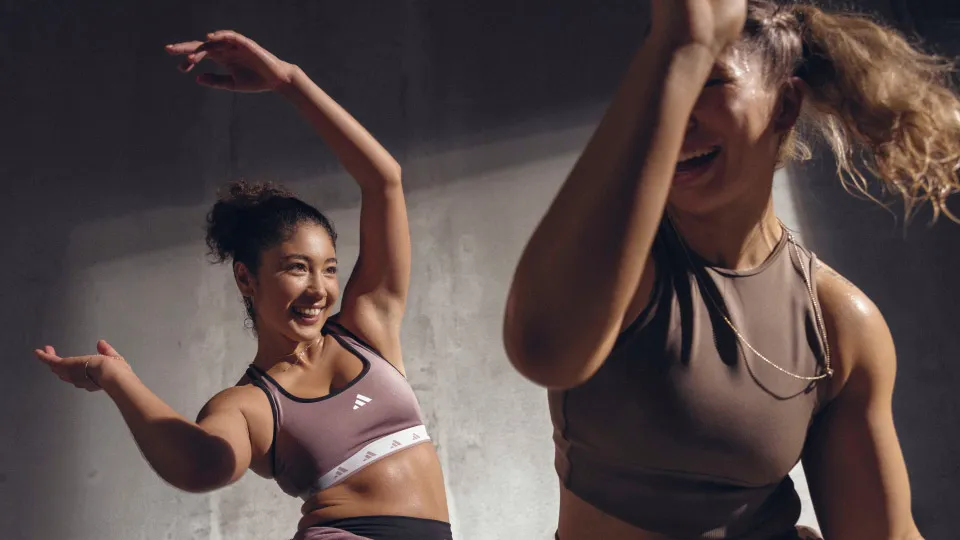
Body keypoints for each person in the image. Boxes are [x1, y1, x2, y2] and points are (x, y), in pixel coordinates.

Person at [503, 1, 959, 539]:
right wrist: (682, 47)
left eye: (711, 83)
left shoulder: (840, 323)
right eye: (669, 89)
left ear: (786, 105)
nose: (680, 117)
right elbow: (543, 346)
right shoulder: (622, 262)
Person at [34, 30, 451, 540]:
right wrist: (114, 377)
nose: (319, 288)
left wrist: (289, 81)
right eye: (297, 267)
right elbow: (202, 466)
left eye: (329, 268)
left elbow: (383, 178)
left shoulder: (369, 326)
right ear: (246, 277)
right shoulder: (250, 406)